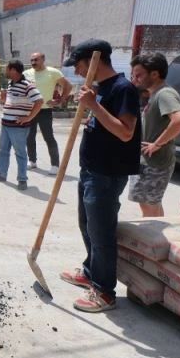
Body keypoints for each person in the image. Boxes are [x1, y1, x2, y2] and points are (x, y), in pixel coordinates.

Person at [59, 39, 141, 313]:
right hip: (91, 169)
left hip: (108, 173)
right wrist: (92, 114)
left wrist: (94, 107)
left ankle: (104, 291)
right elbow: (105, 124)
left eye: (79, 65)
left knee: (101, 232)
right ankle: (90, 271)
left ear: (94, 60)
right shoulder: (100, 89)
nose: (78, 71)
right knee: (87, 225)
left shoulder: (123, 89)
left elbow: (126, 132)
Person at [127, 53, 180, 217]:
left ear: (154, 74)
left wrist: (157, 144)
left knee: (148, 206)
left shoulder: (165, 93)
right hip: (150, 161)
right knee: (152, 203)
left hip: (156, 162)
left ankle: (154, 240)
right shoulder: (156, 93)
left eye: (139, 75)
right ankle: (158, 238)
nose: (135, 79)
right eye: (133, 75)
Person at [0, 60, 43, 190]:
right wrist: (3, 98)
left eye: (7, 69)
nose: (5, 71)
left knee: (20, 153)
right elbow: (10, 103)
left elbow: (39, 101)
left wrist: (29, 117)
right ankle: (1, 173)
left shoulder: (27, 85)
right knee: (3, 151)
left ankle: (22, 179)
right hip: (5, 124)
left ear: (13, 70)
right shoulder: (10, 84)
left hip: (18, 127)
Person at [24, 52, 72, 174]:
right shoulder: (26, 74)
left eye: (36, 60)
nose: (33, 62)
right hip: (30, 109)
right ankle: (32, 161)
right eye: (32, 60)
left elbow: (68, 86)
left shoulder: (53, 72)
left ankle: (55, 165)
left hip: (45, 110)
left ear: (43, 60)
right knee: (29, 136)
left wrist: (60, 100)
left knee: (48, 137)